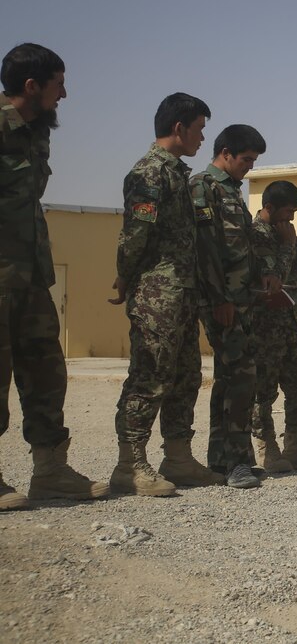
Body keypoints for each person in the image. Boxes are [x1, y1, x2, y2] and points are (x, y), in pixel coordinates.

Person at [0, 43, 107, 509]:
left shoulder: (37, 132)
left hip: (31, 273)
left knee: (46, 370)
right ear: (32, 86)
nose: (65, 93)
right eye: (58, 83)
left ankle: (50, 471)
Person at [110, 93, 220, 496]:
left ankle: (177, 457)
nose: (202, 138)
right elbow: (135, 233)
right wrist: (124, 277)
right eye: (199, 129)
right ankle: (130, 464)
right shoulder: (150, 173)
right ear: (179, 128)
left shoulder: (176, 174)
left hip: (182, 293)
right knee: (150, 373)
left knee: (186, 375)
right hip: (158, 293)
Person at [190, 124, 280, 489]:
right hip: (223, 301)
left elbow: (242, 245)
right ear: (225, 153)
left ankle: (225, 460)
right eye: (246, 160)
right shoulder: (203, 188)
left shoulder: (232, 191)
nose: (250, 167)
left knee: (232, 380)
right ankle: (234, 462)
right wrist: (220, 299)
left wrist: (265, 276)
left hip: (243, 301)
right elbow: (206, 249)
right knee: (240, 377)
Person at [249, 180, 297, 472]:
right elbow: (272, 279)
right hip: (262, 328)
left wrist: (290, 254)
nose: (292, 218)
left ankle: (294, 446)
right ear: (268, 208)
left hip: (288, 324)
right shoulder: (255, 236)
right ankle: (265, 447)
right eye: (287, 211)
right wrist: (286, 248)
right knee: (263, 391)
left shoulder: (288, 235)